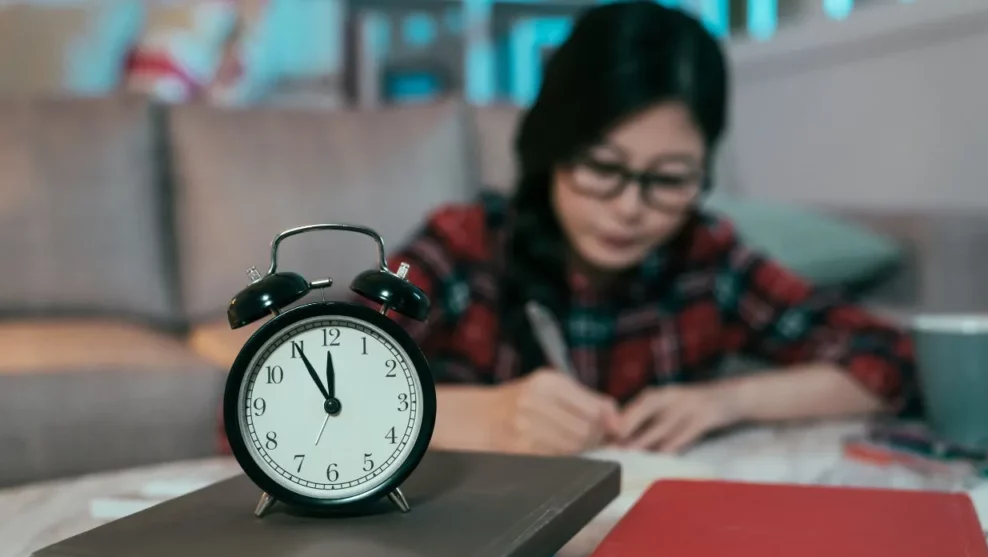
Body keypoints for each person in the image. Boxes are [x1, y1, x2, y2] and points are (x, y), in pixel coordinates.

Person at [370, 0, 917, 456]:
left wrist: (725, 402)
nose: (630, 208)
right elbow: (329, 374)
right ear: (551, 148)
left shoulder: (706, 259)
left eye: (670, 178)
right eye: (602, 168)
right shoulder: (462, 246)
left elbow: (891, 358)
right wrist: (480, 417)